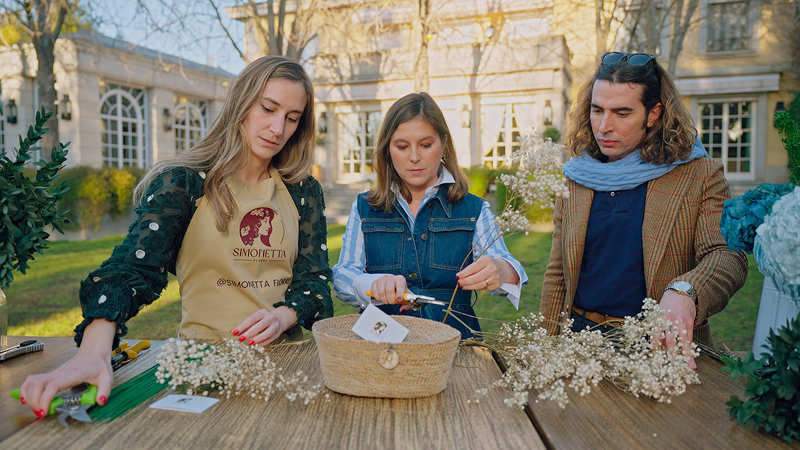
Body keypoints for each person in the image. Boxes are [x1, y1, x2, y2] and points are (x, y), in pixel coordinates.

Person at [19, 56, 333, 417]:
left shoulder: (302, 191)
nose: (278, 128)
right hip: (201, 365)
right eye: (268, 108)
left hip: (289, 365)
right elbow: (131, 269)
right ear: (241, 104)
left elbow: (316, 282)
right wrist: (93, 352)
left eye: (292, 118)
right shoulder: (183, 182)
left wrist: (285, 316)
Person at [540, 52, 748, 367]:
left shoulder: (698, 173)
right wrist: (545, 347)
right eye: (597, 111)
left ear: (654, 113)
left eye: (622, 113)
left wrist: (685, 291)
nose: (604, 126)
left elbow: (726, 255)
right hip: (578, 343)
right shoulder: (577, 176)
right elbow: (558, 273)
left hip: (657, 348)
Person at [333, 92, 527, 339]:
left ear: (443, 144)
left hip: (453, 342)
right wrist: (370, 284)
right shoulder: (365, 207)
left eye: (426, 145)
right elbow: (342, 275)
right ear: (387, 150)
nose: (414, 157)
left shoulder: (473, 209)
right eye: (402, 146)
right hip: (380, 343)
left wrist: (501, 269)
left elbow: (511, 270)